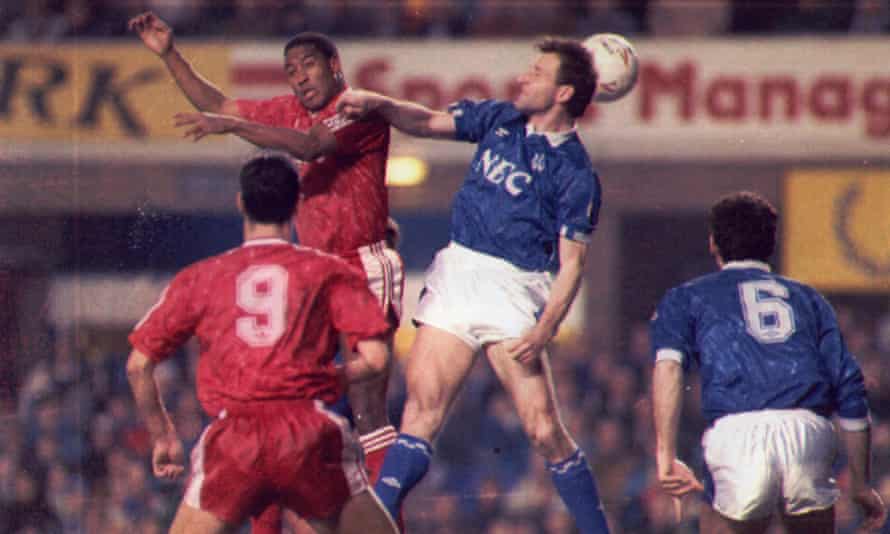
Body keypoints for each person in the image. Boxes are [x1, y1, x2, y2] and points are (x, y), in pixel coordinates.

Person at [129, 12, 403, 532]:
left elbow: (307, 146)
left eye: (307, 65)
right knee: (300, 414)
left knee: (367, 410)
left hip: (359, 262)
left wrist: (232, 127)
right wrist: (169, 54)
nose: (299, 76)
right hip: (314, 272)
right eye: (290, 69)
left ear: (334, 66)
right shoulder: (286, 113)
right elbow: (216, 104)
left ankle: (394, 514)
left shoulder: (355, 110)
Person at [337, 37, 610, 533]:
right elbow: (424, 120)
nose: (524, 78)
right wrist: (378, 104)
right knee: (421, 413)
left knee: (543, 430)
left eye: (537, 72)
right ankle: (370, 524)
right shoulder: (500, 118)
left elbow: (572, 265)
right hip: (460, 270)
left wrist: (546, 328)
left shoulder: (576, 174)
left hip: (515, 287)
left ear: (564, 92)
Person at [649, 191, 888, 533]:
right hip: (807, 429)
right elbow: (850, 387)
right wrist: (862, 485)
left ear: (713, 243)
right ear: (771, 244)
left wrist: (666, 455)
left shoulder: (687, 296)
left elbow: (669, 368)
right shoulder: (809, 298)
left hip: (737, 432)